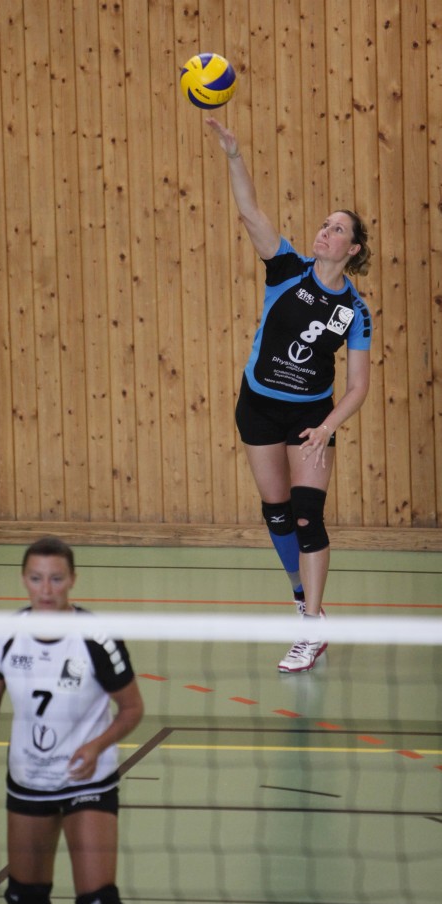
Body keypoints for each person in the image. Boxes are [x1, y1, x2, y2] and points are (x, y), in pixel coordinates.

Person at [206, 116, 372, 673]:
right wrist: (234, 155)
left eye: (337, 229)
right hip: (257, 406)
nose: (325, 232)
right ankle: (303, 601)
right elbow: (251, 213)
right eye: (324, 224)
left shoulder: (355, 312)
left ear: (352, 248)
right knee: (276, 513)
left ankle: (311, 626)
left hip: (310, 419)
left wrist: (327, 428)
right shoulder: (286, 269)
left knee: (307, 517)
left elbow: (358, 386)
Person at [0, 536, 144, 904]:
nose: (46, 589)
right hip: (29, 780)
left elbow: (132, 708)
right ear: (24, 580)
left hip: (89, 782)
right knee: (25, 903)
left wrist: (97, 745)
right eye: (36, 578)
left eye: (56, 579)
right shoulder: (5, 634)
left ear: (72, 580)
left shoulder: (96, 639)